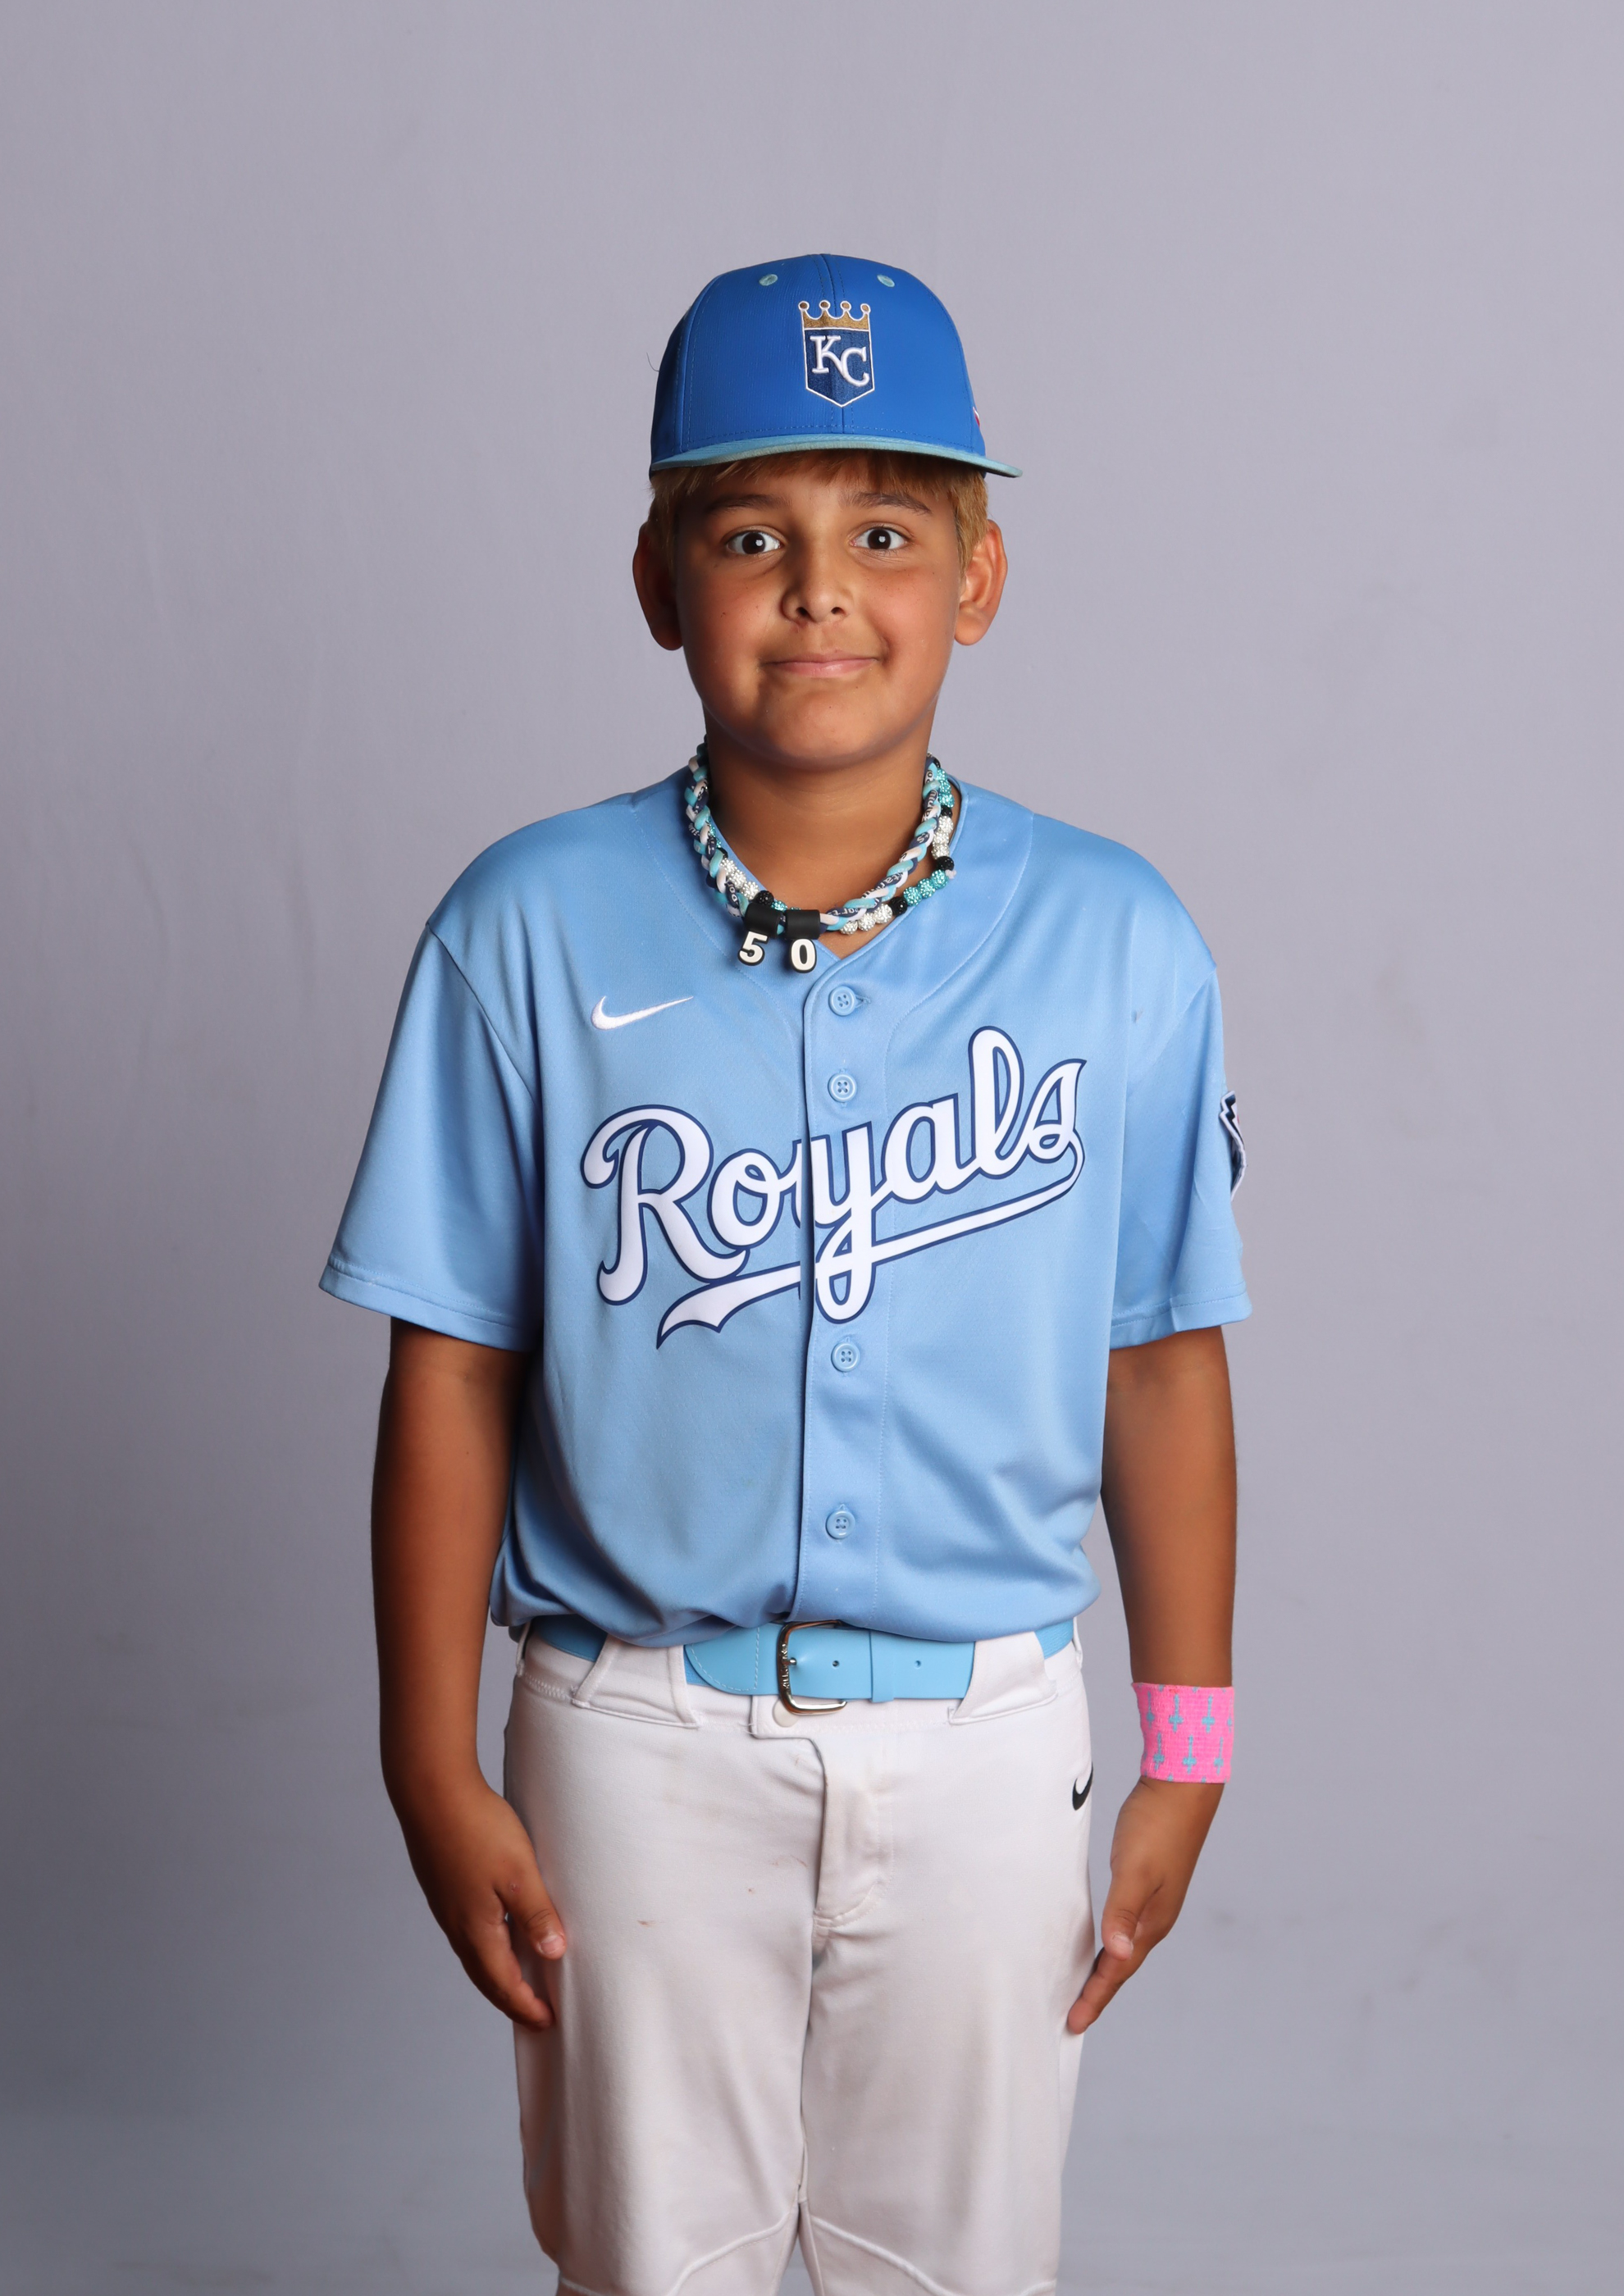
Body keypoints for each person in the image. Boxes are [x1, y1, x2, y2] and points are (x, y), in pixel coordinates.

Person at [322, 253, 1248, 2296]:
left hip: (989, 1732)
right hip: (634, 1734)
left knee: (956, 2268)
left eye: (886, 532)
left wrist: (1186, 1746)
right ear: (659, 581)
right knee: (649, 2267)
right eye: (751, 534)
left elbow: (1161, 1359)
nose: (821, 590)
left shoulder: (1116, 938)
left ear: (978, 578)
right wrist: (424, 1753)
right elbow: (452, 1366)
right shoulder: (525, 923)